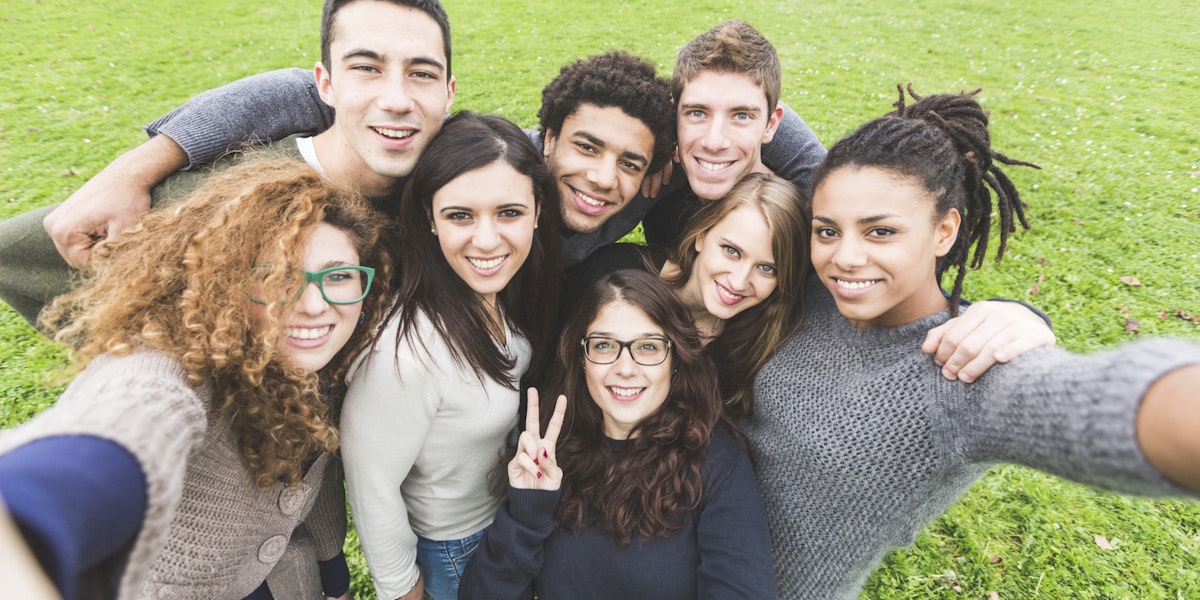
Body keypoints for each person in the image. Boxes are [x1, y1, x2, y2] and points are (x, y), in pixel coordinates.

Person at [746, 86, 1200, 599]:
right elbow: (751, 110)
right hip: (681, 542)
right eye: (827, 231)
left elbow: (1098, 404)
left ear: (944, 232)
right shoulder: (824, 285)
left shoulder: (965, 371)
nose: (844, 257)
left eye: (881, 233)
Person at [0, 156, 394, 599]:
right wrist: (32, 506)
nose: (314, 305)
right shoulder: (172, 361)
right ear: (223, 281)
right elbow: (132, 415)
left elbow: (310, 481)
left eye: (338, 275)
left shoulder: (334, 358)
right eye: (278, 276)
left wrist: (333, 574)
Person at [0, 0, 457, 326]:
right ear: (325, 83)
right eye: (365, 68)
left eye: (422, 73)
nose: (397, 99)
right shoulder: (204, 206)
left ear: (449, 92)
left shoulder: (471, 191)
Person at [338, 112, 561, 600]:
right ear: (430, 220)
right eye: (461, 215)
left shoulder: (495, 295)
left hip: (508, 525)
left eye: (509, 213)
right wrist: (402, 589)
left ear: (538, 210)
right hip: (455, 554)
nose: (486, 240)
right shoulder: (406, 353)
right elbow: (371, 483)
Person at [460, 269, 777, 599]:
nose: (625, 368)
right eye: (604, 345)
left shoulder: (717, 463)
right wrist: (526, 512)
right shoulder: (551, 455)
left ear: (676, 359)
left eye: (648, 347)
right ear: (582, 359)